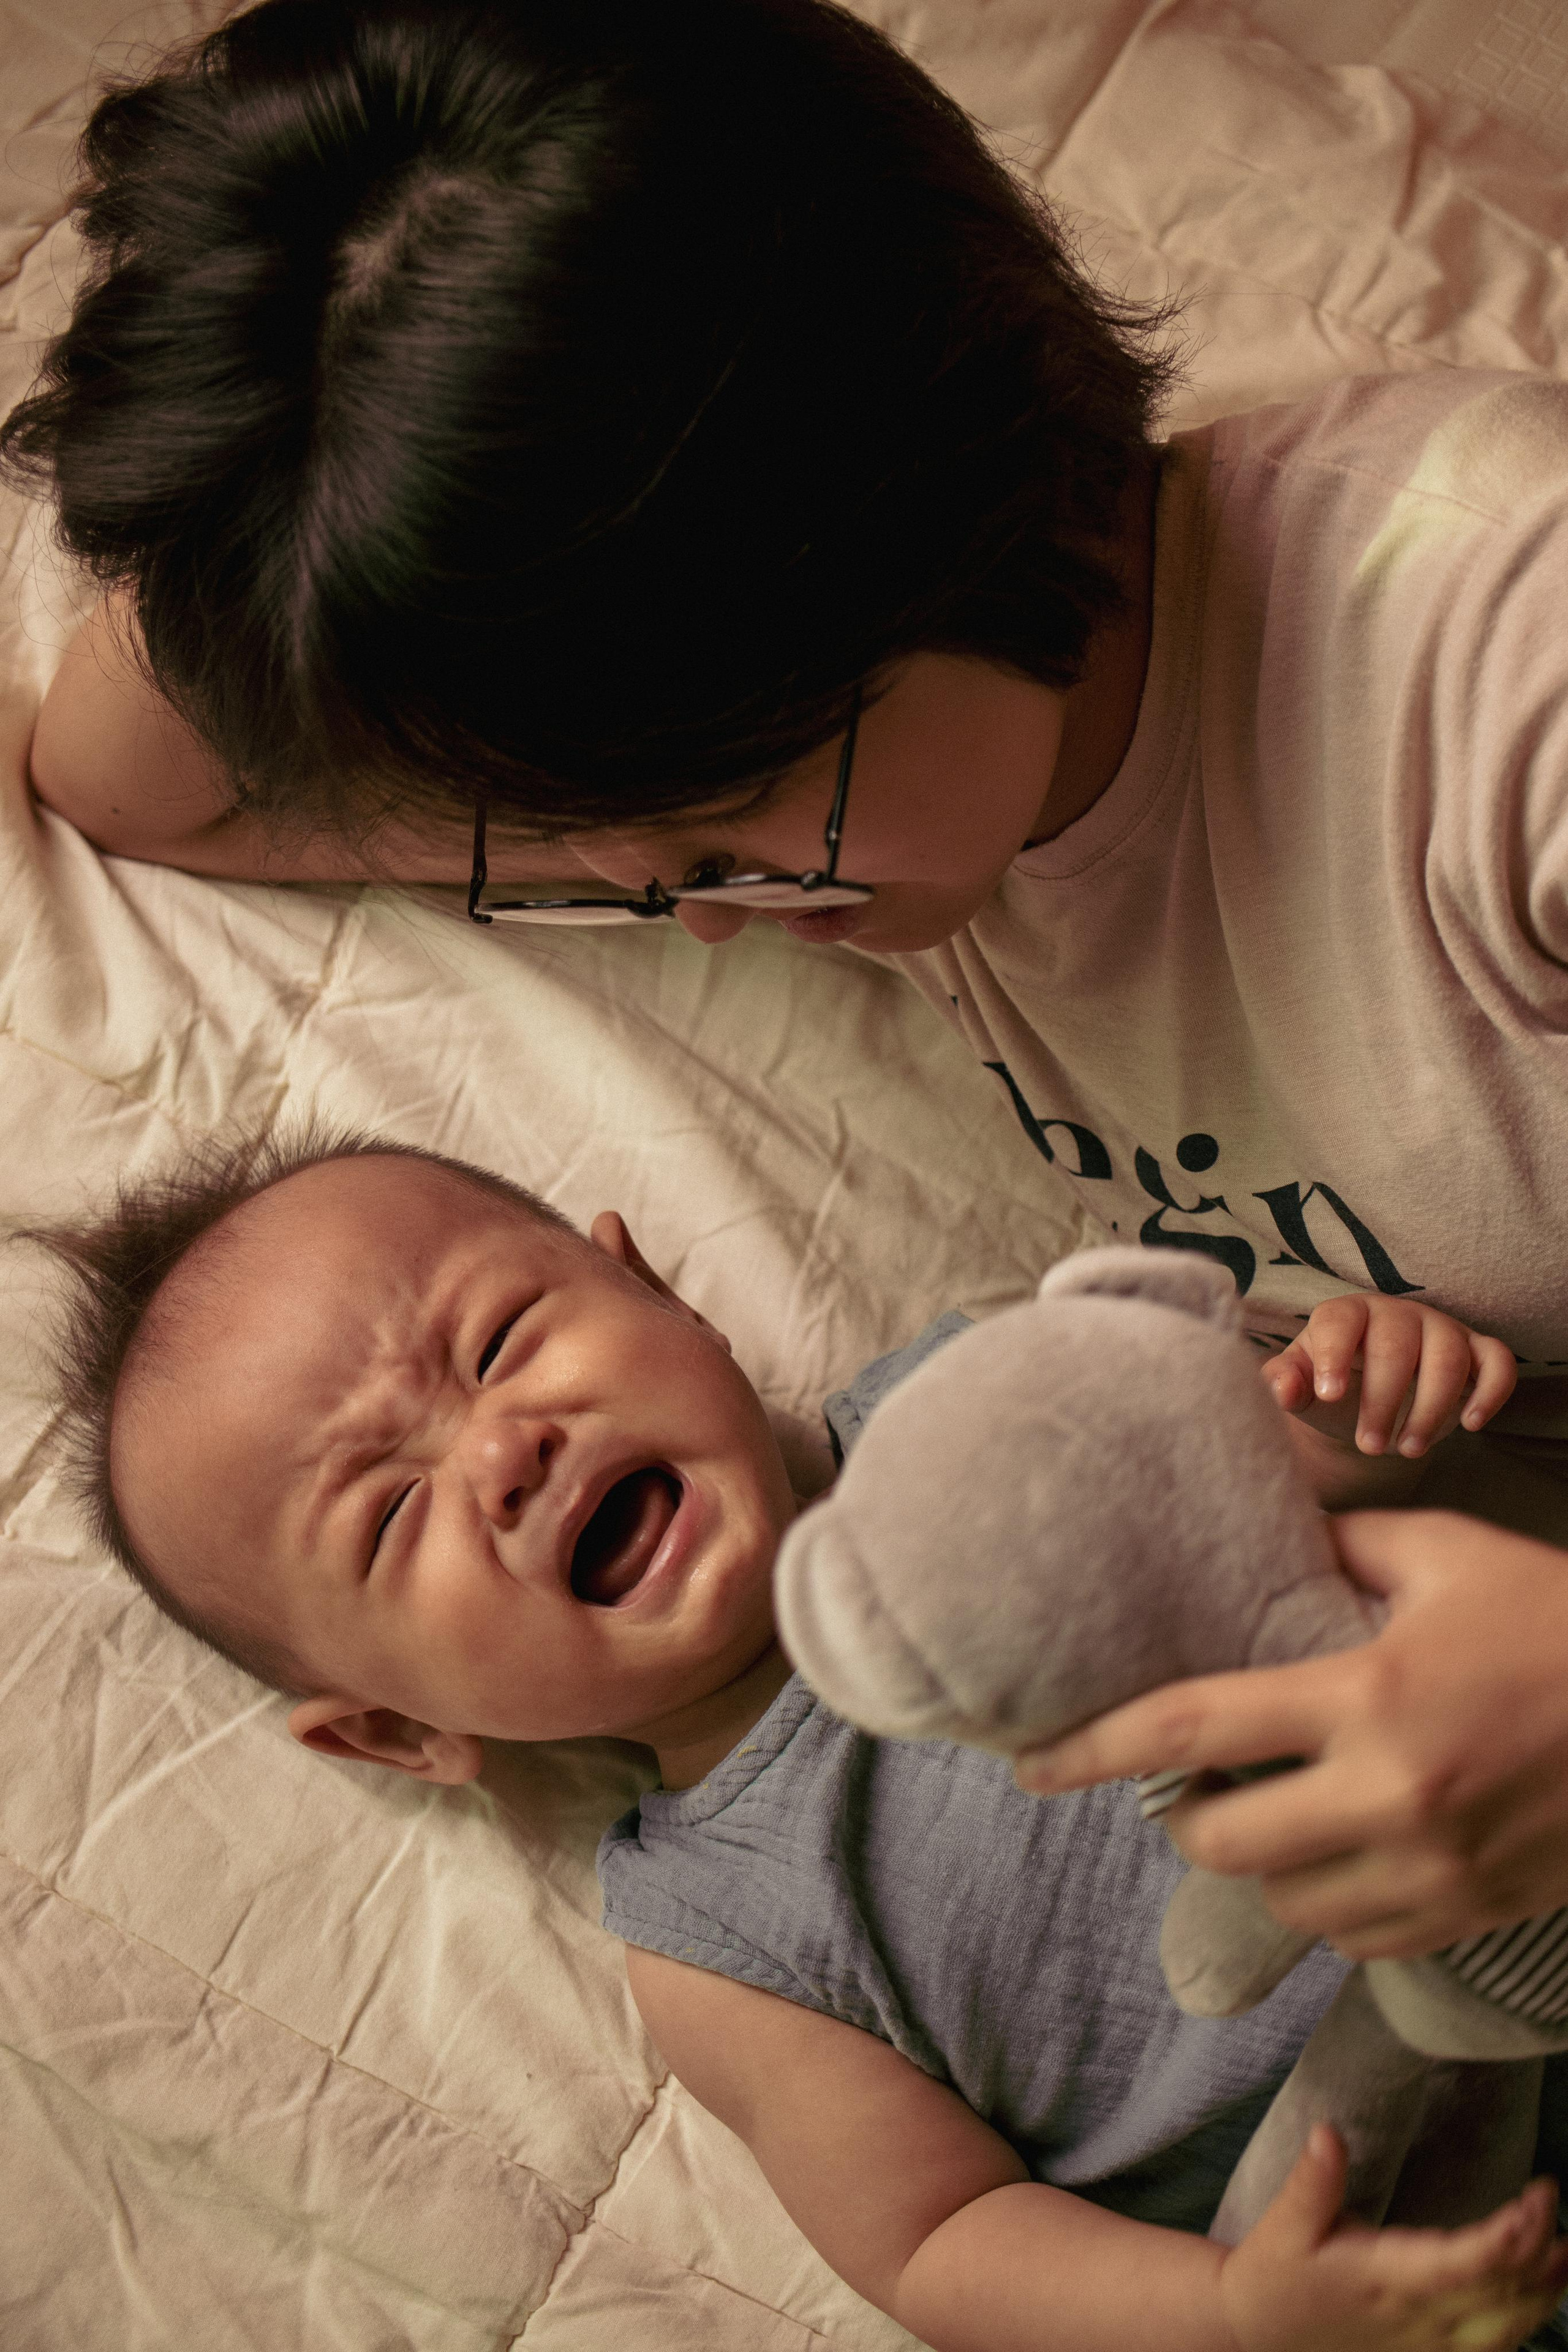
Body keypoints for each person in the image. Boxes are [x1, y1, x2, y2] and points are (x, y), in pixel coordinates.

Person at [9, 0, 1568, 1956]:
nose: (670, 898)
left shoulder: (1504, 682)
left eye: (727, 816)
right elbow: (124, 775)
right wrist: (332, 399)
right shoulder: (875, 777)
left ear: (939, 497)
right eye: (587, 839)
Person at [24, 1122, 1568, 2352]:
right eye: (390, 1513)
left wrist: (1366, 1390)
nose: (501, 1451)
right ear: (394, 1728)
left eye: (500, 1342)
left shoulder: (974, 1397)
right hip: (1414, 2235)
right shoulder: (715, 1938)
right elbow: (942, 2244)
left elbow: (1270, 1458)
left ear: (659, 1295)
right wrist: (1227, 2319)